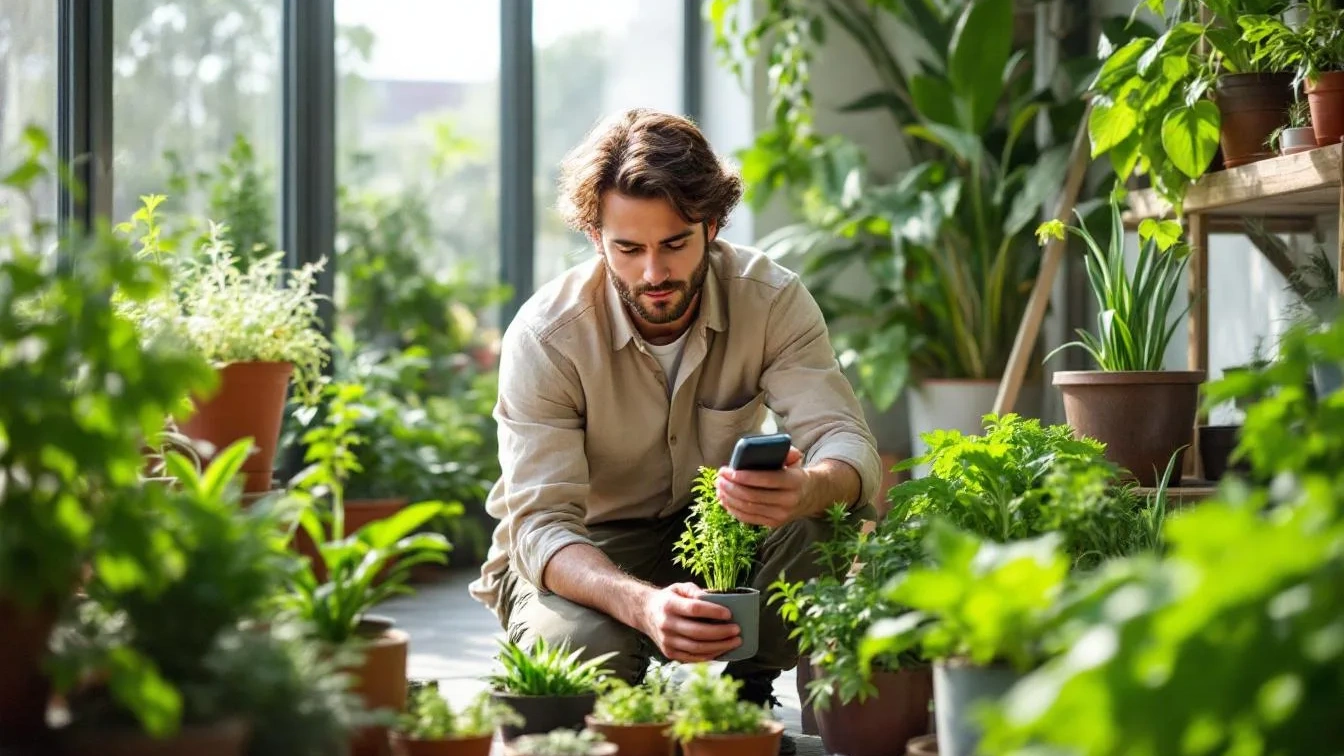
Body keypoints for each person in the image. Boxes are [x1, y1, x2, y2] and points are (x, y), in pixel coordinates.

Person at [468, 108, 880, 752]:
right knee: (573, 663)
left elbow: (848, 444)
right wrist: (642, 607)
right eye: (628, 249)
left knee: (823, 516)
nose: (653, 273)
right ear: (595, 235)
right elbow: (542, 528)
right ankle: (630, 695)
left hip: (717, 530)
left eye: (675, 244)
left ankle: (750, 691)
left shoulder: (771, 299)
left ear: (712, 226)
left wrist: (807, 488)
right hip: (590, 549)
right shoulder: (547, 336)